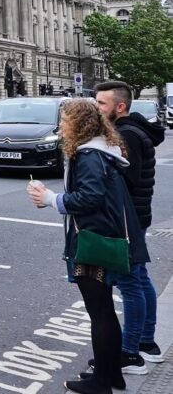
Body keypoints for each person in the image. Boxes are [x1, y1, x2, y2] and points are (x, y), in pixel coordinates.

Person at [27, 99, 148, 394]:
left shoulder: (89, 155)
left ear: (80, 124)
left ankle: (101, 382)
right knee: (104, 310)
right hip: (105, 235)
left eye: (65, 120)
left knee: (100, 311)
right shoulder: (102, 150)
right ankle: (112, 373)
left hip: (95, 239)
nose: (61, 126)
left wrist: (50, 199)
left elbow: (90, 198)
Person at [95, 80, 166, 369]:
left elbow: (126, 179)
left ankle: (130, 352)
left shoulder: (127, 135)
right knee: (139, 278)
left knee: (130, 283)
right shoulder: (133, 130)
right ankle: (146, 342)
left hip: (128, 218)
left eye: (102, 103)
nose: (97, 108)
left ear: (120, 106)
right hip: (136, 215)